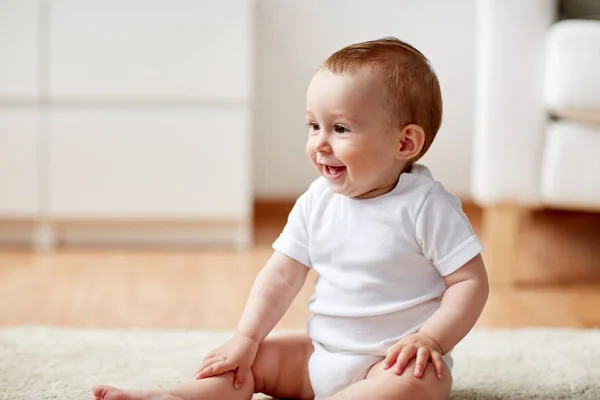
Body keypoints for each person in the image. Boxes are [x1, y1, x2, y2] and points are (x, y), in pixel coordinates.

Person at [93, 36, 489, 400]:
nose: (319, 143)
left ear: (405, 142)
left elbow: (469, 283)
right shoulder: (317, 201)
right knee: (246, 361)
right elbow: (281, 276)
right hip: (319, 354)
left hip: (393, 364)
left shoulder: (427, 206)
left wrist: (431, 340)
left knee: (421, 383)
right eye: (314, 125)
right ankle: (173, 397)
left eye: (340, 128)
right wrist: (245, 339)